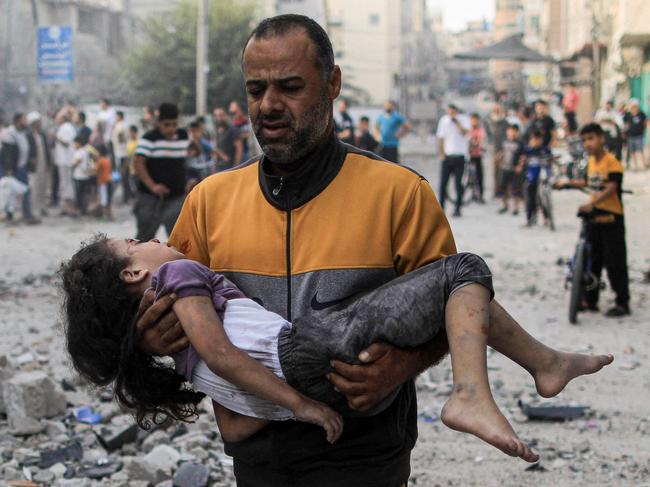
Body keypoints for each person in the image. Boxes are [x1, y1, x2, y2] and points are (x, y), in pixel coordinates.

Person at [137, 15, 455, 487]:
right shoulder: (208, 201)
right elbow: (164, 313)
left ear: (332, 84)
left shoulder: (399, 194)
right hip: (257, 456)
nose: (268, 105)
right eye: (255, 89)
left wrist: (401, 366)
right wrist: (150, 337)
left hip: (366, 452)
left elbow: (454, 310)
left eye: (289, 87)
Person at [62, 236, 614, 463]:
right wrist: (303, 403)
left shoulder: (181, 357)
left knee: (463, 302)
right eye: (137, 241)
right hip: (307, 350)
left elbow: (233, 426)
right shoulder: (181, 272)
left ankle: (546, 364)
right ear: (136, 270)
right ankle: (470, 395)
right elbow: (228, 354)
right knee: (464, 273)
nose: (153, 237)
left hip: (326, 388)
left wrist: (299, 403)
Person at [556, 123, 630, 317]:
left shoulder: (611, 162)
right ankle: (590, 301)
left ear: (601, 138)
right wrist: (567, 184)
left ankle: (622, 303)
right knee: (592, 261)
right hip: (594, 219)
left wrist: (592, 203)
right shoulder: (591, 162)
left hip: (611, 219)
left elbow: (611, 187)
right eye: (584, 140)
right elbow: (590, 183)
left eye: (591, 138)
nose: (588, 143)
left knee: (615, 263)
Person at [133, 102, 190, 241]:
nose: (171, 129)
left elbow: (195, 150)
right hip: (150, 198)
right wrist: (153, 186)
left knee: (179, 239)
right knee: (145, 238)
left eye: (174, 124)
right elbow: (138, 163)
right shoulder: (149, 138)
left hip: (176, 197)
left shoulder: (183, 136)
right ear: (159, 123)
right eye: (167, 125)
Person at [0, 113, 40, 224]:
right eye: (24, 120)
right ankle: (10, 215)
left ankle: (27, 215)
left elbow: (30, 146)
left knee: (26, 190)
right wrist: (8, 168)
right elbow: (6, 153)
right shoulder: (9, 133)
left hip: (22, 167)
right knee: (10, 192)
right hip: (13, 168)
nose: (26, 122)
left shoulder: (24, 133)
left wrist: (32, 159)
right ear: (18, 121)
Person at [436, 104, 470, 217]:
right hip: (447, 156)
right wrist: (441, 153)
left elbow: (465, 132)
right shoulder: (444, 120)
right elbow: (440, 137)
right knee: (443, 184)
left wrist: (456, 122)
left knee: (458, 184)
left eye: (453, 111)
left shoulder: (463, 119)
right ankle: (441, 208)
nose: (451, 113)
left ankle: (458, 208)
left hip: (460, 156)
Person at [518, 131, 552, 227]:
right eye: (533, 139)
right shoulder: (528, 150)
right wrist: (521, 164)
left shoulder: (545, 150)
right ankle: (530, 219)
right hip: (532, 176)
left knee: (543, 199)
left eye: (537, 139)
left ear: (541, 140)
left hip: (543, 177)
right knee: (530, 199)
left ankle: (547, 218)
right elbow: (523, 159)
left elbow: (551, 160)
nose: (535, 142)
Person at [26, 112, 52, 218]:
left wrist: (48, 163)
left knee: (43, 186)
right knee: (35, 186)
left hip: (43, 162)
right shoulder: (28, 135)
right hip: (34, 166)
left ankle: (43, 207)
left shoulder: (42, 135)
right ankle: (35, 208)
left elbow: (46, 149)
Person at [54, 110, 78, 216]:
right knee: (64, 184)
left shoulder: (66, 128)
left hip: (66, 161)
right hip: (63, 160)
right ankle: (65, 207)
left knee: (67, 184)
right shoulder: (66, 127)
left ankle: (70, 208)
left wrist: (56, 137)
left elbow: (66, 143)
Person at [498, 124, 524, 215]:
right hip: (505, 167)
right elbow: (501, 152)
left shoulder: (520, 143)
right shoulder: (505, 142)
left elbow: (523, 156)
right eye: (509, 131)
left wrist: (520, 166)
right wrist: (499, 158)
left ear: (517, 132)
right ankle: (505, 205)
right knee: (502, 187)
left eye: (513, 131)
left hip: (514, 168)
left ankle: (516, 208)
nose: (511, 133)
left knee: (515, 189)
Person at [71, 136, 97, 216]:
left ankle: (79, 209)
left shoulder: (79, 152)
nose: (74, 145)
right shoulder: (86, 151)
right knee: (84, 194)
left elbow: (76, 162)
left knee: (79, 194)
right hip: (85, 176)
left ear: (79, 143)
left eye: (75, 143)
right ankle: (84, 209)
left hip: (79, 176)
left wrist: (72, 165)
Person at [112, 111, 132, 203]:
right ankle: (128, 195)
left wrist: (120, 139)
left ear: (119, 117)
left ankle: (125, 197)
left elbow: (120, 136)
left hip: (121, 153)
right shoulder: (126, 124)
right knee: (125, 176)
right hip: (124, 152)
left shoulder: (120, 125)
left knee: (122, 175)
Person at [622, 99, 647, 170]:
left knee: (640, 150)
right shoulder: (627, 115)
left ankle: (644, 164)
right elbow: (625, 124)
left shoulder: (641, 114)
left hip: (639, 135)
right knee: (632, 151)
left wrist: (643, 130)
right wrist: (624, 132)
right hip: (630, 135)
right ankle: (635, 166)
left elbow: (645, 123)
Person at [468, 113, 486, 203]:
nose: (473, 122)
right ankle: (473, 194)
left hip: (477, 155)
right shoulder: (468, 129)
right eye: (472, 120)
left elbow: (480, 140)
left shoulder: (480, 130)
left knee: (479, 176)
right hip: (469, 156)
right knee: (470, 176)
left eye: (475, 120)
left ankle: (481, 195)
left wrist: (476, 143)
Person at [95, 145, 113, 220]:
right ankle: (110, 215)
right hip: (109, 180)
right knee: (108, 199)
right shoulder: (108, 160)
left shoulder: (100, 160)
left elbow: (96, 170)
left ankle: (105, 215)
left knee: (103, 199)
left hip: (103, 181)